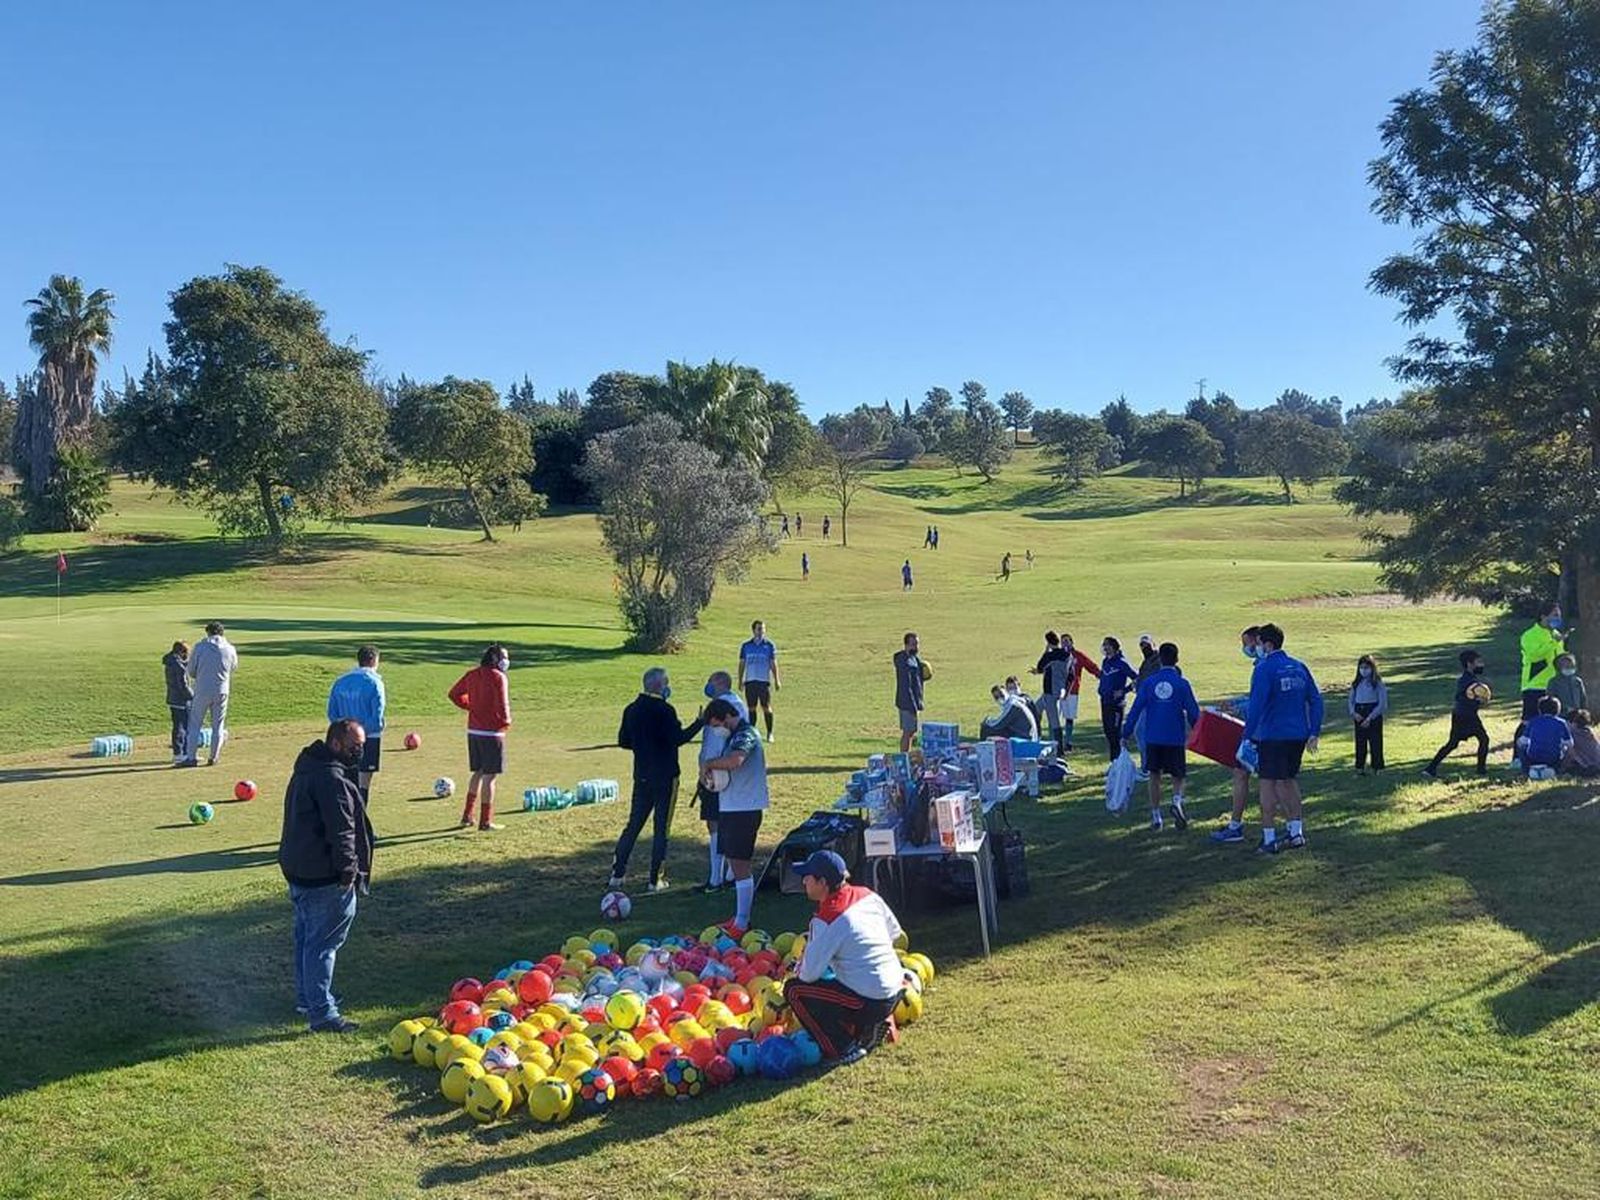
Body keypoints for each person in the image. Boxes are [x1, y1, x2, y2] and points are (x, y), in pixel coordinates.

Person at [277, 718, 372, 1034]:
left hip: (299, 869)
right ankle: (322, 1013)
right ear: (336, 743)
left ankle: (309, 998)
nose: (359, 751)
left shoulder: (308, 768)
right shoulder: (331, 779)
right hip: (323, 876)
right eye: (355, 746)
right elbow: (342, 830)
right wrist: (349, 871)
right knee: (323, 944)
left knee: (307, 938)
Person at [785, 850, 906, 1066]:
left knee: (794, 991)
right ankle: (873, 1025)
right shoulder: (868, 895)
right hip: (897, 987)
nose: (803, 881)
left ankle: (843, 1048)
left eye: (807, 877)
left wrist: (799, 964)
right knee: (839, 978)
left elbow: (808, 975)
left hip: (872, 1000)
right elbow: (894, 933)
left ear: (823, 883)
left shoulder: (826, 919)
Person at [610, 667, 703, 893]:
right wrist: (699, 723)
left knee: (633, 825)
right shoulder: (665, 710)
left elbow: (623, 741)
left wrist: (643, 746)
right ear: (659, 686)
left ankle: (617, 873)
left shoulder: (631, 709)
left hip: (642, 775)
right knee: (661, 829)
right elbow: (678, 738)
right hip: (665, 776)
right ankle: (655, 879)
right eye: (666, 683)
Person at [1240, 623, 1322, 854]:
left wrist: (1247, 736)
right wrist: (1314, 731)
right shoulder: (1299, 666)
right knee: (1288, 780)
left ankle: (1269, 838)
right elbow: (1316, 700)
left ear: (1267, 644)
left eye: (1257, 644)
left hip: (1272, 735)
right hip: (1297, 735)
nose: (1255, 648)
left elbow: (1256, 706)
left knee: (1267, 784)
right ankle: (1296, 832)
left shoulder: (1264, 669)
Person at [698, 697, 769, 937]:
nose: (717, 730)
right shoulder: (732, 736)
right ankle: (738, 917)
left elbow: (736, 760)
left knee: (740, 865)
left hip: (744, 809)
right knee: (736, 863)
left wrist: (709, 763)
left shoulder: (745, 734)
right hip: (731, 807)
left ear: (727, 716)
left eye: (717, 725)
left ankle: (742, 922)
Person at [1122, 641, 1199, 831]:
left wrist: (1126, 732)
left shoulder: (1149, 683)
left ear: (1160, 660)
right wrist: (1198, 731)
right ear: (1177, 659)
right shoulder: (1182, 684)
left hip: (1153, 736)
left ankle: (1156, 817)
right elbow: (1193, 712)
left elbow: (1135, 709)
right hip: (1174, 736)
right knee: (1178, 774)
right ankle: (1177, 801)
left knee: (1154, 775)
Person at [447, 644, 511, 831]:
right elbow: (503, 704)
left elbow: (454, 694)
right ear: (495, 658)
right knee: (490, 776)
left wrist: (471, 706)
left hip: (474, 731)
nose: (506, 661)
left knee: (478, 772)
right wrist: (506, 722)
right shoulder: (499, 677)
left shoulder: (472, 674)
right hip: (492, 733)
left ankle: (467, 816)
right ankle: (485, 821)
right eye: (504, 657)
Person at [1210, 625, 1264, 844]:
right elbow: (1254, 697)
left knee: (1253, 776)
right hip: (1263, 731)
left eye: (1246, 643)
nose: (1244, 648)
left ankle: (1239, 827)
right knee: (1250, 775)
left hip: (1259, 732)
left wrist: (1238, 708)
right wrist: (1234, 703)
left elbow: (1260, 702)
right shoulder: (1261, 665)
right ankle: (1287, 828)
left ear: (1257, 641)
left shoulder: (1264, 667)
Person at [696, 672, 748, 893]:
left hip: (717, 774)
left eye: (710, 681)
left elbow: (716, 742)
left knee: (716, 824)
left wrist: (707, 768)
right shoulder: (737, 704)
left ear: (719, 683)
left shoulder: (723, 707)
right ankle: (727, 874)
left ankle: (717, 877)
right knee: (723, 823)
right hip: (720, 771)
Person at [327, 645, 386, 802]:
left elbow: (332, 714)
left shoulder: (340, 682)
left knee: (344, 778)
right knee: (363, 782)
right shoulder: (375, 682)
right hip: (368, 738)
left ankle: (344, 811)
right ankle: (359, 815)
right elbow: (376, 717)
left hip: (342, 740)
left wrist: (344, 733)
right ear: (374, 660)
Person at [1424, 650, 1491, 779]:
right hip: (1467, 716)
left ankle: (1430, 769)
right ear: (1469, 664)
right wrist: (1480, 699)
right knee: (1483, 739)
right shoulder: (1468, 681)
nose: (1481, 665)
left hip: (1460, 714)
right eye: (1478, 662)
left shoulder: (1467, 679)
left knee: (1453, 743)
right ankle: (1481, 770)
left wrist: (1478, 700)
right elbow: (1469, 695)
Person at [182, 621, 238, 767]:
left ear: (208, 632)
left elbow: (191, 671)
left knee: (195, 724)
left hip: (202, 689)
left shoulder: (200, 647)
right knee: (218, 725)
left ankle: (191, 757)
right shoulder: (230, 648)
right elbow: (233, 667)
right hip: (222, 689)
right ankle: (214, 757)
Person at [1517, 603, 1570, 749]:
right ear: (1543, 616)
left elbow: (1559, 656)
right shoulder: (1530, 635)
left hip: (1554, 685)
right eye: (1555, 615)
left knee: (1554, 721)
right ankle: (1518, 755)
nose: (1558, 618)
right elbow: (1535, 655)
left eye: (1559, 615)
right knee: (1529, 722)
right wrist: (1553, 643)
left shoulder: (1556, 635)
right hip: (1535, 685)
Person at [1097, 636, 1140, 762]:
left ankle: (1119, 761)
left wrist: (1124, 691)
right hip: (1105, 701)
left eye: (1108, 645)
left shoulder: (1122, 662)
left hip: (1117, 704)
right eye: (1104, 644)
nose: (1105, 647)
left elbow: (1137, 678)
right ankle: (1114, 761)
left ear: (1114, 647)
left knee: (1115, 733)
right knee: (1108, 732)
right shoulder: (1105, 662)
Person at [738, 619, 781, 743]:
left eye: (763, 629)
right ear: (753, 630)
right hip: (750, 681)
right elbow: (742, 664)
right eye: (759, 629)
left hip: (763, 681)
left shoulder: (769, 645)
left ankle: (769, 733)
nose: (762, 631)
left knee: (766, 707)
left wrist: (777, 679)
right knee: (751, 708)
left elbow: (773, 663)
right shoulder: (746, 646)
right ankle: (752, 733)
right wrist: (740, 680)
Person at [1345, 654, 1389, 774]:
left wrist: (1370, 717)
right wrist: (1353, 713)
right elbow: (1351, 700)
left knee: (1375, 742)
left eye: (1366, 668)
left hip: (1373, 712)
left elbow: (1382, 703)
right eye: (1361, 668)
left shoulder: (1377, 683)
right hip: (1359, 712)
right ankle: (1360, 767)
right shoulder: (1356, 683)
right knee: (1360, 742)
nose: (1364, 670)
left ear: (1372, 668)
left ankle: (1378, 767)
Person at [1031, 631, 1072, 754]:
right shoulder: (1067, 655)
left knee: (1054, 721)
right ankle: (1036, 739)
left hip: (1050, 691)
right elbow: (1069, 673)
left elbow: (1040, 666)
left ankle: (1059, 750)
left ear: (1048, 642)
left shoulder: (1050, 655)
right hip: (1060, 689)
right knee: (1035, 710)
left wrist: (1046, 651)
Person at [893, 632, 932, 752]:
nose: (916, 647)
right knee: (908, 731)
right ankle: (904, 755)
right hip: (907, 702)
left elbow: (918, 677)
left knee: (911, 731)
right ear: (906, 645)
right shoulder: (903, 661)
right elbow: (906, 685)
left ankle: (906, 754)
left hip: (913, 700)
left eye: (917, 644)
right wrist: (912, 706)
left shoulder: (914, 659)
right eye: (913, 644)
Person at [1518, 695, 1572, 775]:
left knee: (1520, 745)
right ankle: (1559, 770)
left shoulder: (1533, 721)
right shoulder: (1561, 723)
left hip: (1534, 758)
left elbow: (1522, 741)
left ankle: (1525, 770)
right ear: (1558, 710)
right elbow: (1570, 743)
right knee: (1567, 750)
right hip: (1553, 759)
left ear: (1540, 710)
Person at [163, 640, 193, 766]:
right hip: (181, 700)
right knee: (182, 727)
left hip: (173, 698)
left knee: (180, 726)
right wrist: (192, 696)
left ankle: (183, 752)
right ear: (181, 652)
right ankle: (180, 753)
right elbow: (183, 685)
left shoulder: (171, 662)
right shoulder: (178, 666)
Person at [1549, 652, 1588, 717]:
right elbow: (1551, 700)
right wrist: (1565, 708)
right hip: (1561, 715)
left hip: (1577, 716)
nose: (1569, 668)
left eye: (1571, 666)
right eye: (1566, 666)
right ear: (1559, 667)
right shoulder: (1553, 682)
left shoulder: (1577, 681)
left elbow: (1583, 699)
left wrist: (1583, 712)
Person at [1562, 709, 1600, 777]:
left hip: (1586, 766)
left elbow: (1571, 753)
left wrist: (1563, 767)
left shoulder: (1573, 733)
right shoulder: (1591, 732)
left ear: (1572, 723)